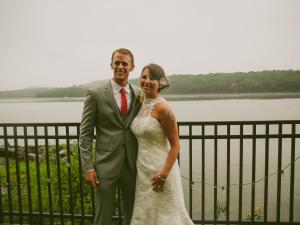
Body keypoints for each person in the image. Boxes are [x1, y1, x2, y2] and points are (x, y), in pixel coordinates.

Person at [79, 48, 142, 225]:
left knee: (133, 215)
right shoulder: (96, 93)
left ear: (132, 67)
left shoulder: (139, 94)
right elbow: (84, 134)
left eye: (125, 64)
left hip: (132, 165)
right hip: (104, 166)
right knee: (103, 216)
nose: (120, 67)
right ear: (111, 65)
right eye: (117, 63)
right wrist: (88, 167)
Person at [130, 63, 194, 225]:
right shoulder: (141, 103)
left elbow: (175, 145)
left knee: (166, 216)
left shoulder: (163, 108)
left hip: (161, 170)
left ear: (160, 83)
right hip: (143, 170)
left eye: (152, 78)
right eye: (144, 77)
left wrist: (164, 174)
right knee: (147, 215)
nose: (147, 81)